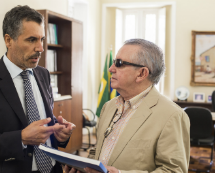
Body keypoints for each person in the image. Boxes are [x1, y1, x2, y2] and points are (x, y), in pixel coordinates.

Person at [0, 5, 75, 173]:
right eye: (31, 40)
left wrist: (60, 136)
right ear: (8, 40)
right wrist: (20, 138)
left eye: (42, 39)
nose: (40, 48)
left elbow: (45, 127)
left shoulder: (43, 74)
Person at [65, 39, 190, 173]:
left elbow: (173, 170)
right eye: (114, 62)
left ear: (142, 73)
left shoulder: (172, 115)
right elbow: (99, 152)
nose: (111, 69)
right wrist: (84, 167)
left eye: (119, 63)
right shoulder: (109, 106)